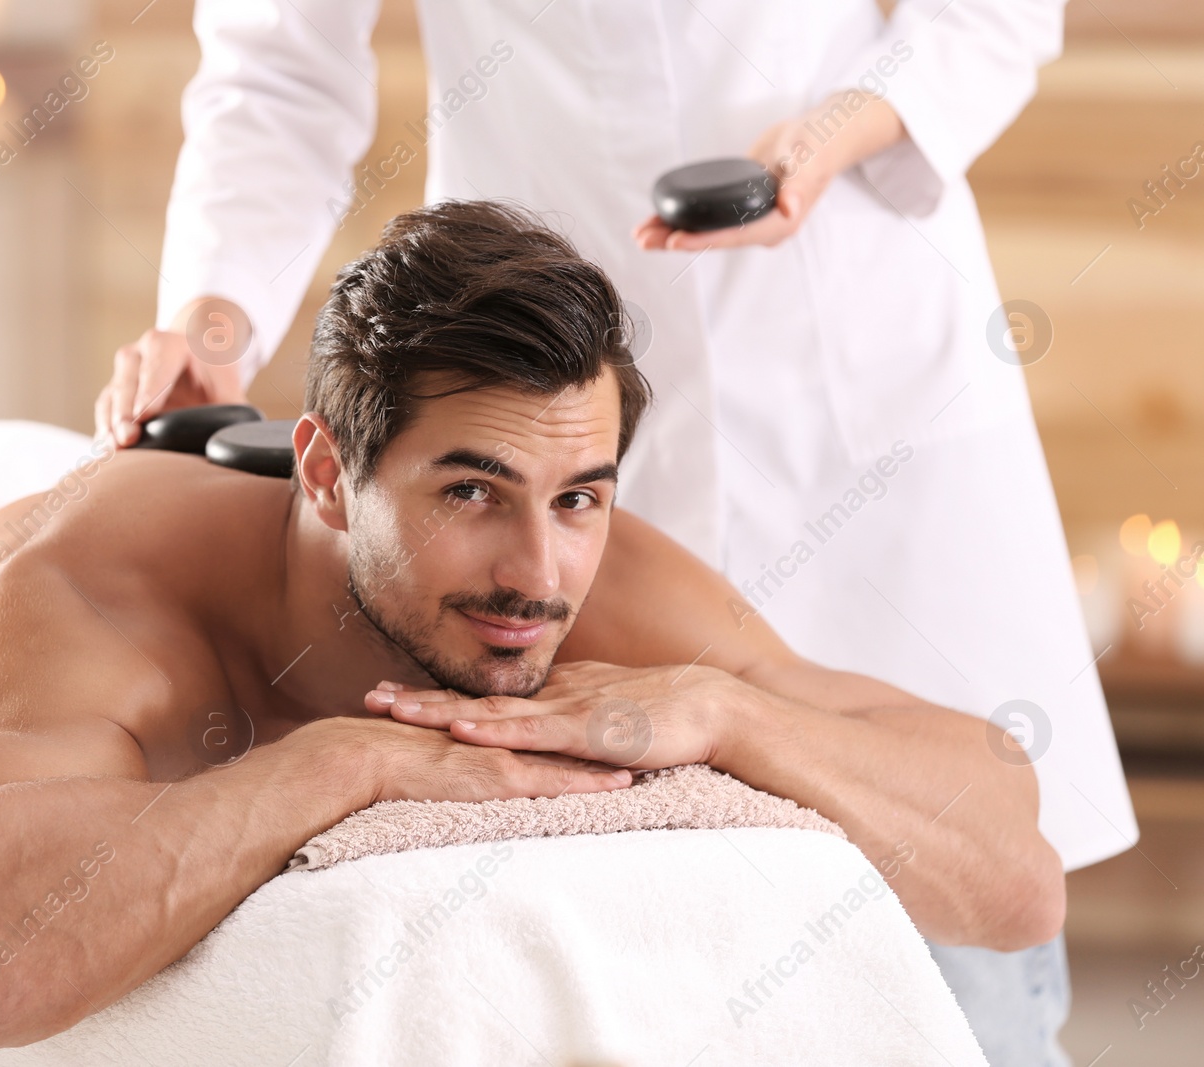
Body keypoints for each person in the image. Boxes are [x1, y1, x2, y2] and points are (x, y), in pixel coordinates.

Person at [94, 4, 1132, 1062]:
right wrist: (214, 324)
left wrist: (852, 120)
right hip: (528, 377)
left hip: (854, 364)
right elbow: (277, 71)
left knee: (955, 948)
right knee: (615, 958)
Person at [0, 202, 1061, 1060]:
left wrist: (734, 710)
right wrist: (346, 761)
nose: (538, 572)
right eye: (469, 491)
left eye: (578, 494)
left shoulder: (600, 574)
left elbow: (1016, 880)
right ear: (324, 474)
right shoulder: (99, 592)